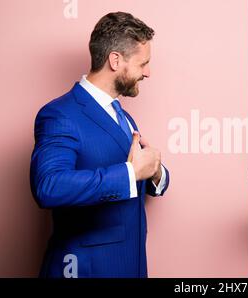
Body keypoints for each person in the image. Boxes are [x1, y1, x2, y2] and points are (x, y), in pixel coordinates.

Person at [30, 12, 169, 278]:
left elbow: (139, 172)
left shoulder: (121, 115)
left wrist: (156, 171)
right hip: (86, 269)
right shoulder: (60, 114)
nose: (148, 73)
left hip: (130, 266)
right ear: (115, 60)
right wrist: (131, 173)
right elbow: (49, 186)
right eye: (143, 64)